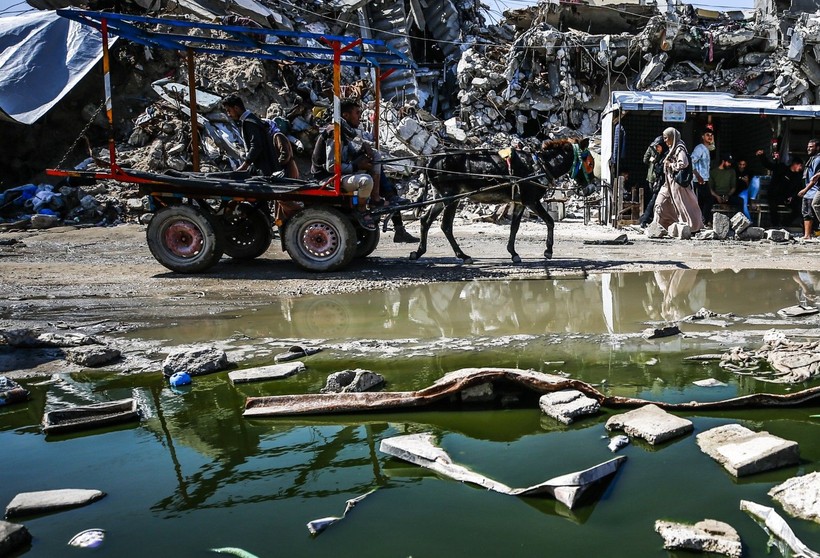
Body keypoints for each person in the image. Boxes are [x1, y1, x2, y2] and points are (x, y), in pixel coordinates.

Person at [652, 127, 703, 233]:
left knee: (684, 206)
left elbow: (683, 164)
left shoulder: (680, 149)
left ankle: (692, 227)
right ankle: (657, 226)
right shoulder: (673, 149)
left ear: (672, 137)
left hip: (677, 184)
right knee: (659, 203)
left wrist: (670, 164)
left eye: (666, 138)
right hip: (669, 184)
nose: (665, 141)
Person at [221, 94, 280, 176]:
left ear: (236, 108)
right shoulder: (252, 119)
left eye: (229, 110)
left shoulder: (250, 123)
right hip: (262, 167)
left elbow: (256, 146)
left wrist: (245, 166)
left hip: (264, 170)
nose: (228, 114)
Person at [755, 149, 802, 227]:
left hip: (784, 197)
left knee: (797, 209)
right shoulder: (781, 168)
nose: (801, 168)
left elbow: (797, 189)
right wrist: (762, 156)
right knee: (773, 208)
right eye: (800, 166)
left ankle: (784, 224)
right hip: (773, 195)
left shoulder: (797, 176)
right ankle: (775, 226)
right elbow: (768, 165)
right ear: (795, 164)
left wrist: (791, 197)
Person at [638, 135, 667, 227]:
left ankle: (647, 219)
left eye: (658, 146)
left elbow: (645, 160)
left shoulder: (664, 153)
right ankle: (646, 219)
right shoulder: (662, 154)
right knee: (654, 200)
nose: (656, 148)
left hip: (654, 179)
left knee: (655, 200)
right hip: (657, 180)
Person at [690, 128, 716, 224]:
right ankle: (704, 221)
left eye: (711, 135)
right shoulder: (699, 148)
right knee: (709, 200)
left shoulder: (707, 148)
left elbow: (713, 147)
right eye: (707, 135)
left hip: (704, 178)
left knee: (701, 201)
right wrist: (698, 175)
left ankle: (699, 222)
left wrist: (712, 140)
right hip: (699, 179)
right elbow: (691, 161)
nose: (709, 137)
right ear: (702, 137)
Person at [798, 138, 820, 240]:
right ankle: (807, 235)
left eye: (811, 147)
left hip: (814, 190)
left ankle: (811, 234)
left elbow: (815, 178)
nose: (808, 149)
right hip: (809, 191)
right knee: (806, 213)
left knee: (812, 211)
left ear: (818, 148)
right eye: (808, 147)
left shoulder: (818, 159)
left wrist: (805, 190)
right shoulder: (812, 159)